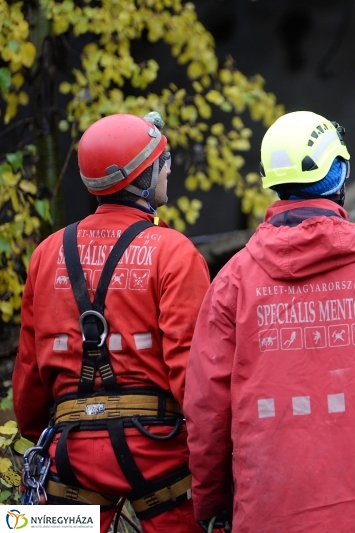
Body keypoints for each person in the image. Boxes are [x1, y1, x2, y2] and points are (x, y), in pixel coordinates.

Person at [184, 111, 355, 533]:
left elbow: (206, 408)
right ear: (339, 173)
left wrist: (212, 500)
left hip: (271, 512)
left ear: (272, 181)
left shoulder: (233, 281)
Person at [13, 113, 210, 532]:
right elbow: (192, 371)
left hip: (70, 449)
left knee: (34, 526)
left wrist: (43, 434)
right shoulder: (174, 252)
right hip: (158, 450)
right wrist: (214, 448)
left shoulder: (47, 253)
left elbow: (29, 371)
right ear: (144, 178)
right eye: (163, 162)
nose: (169, 169)